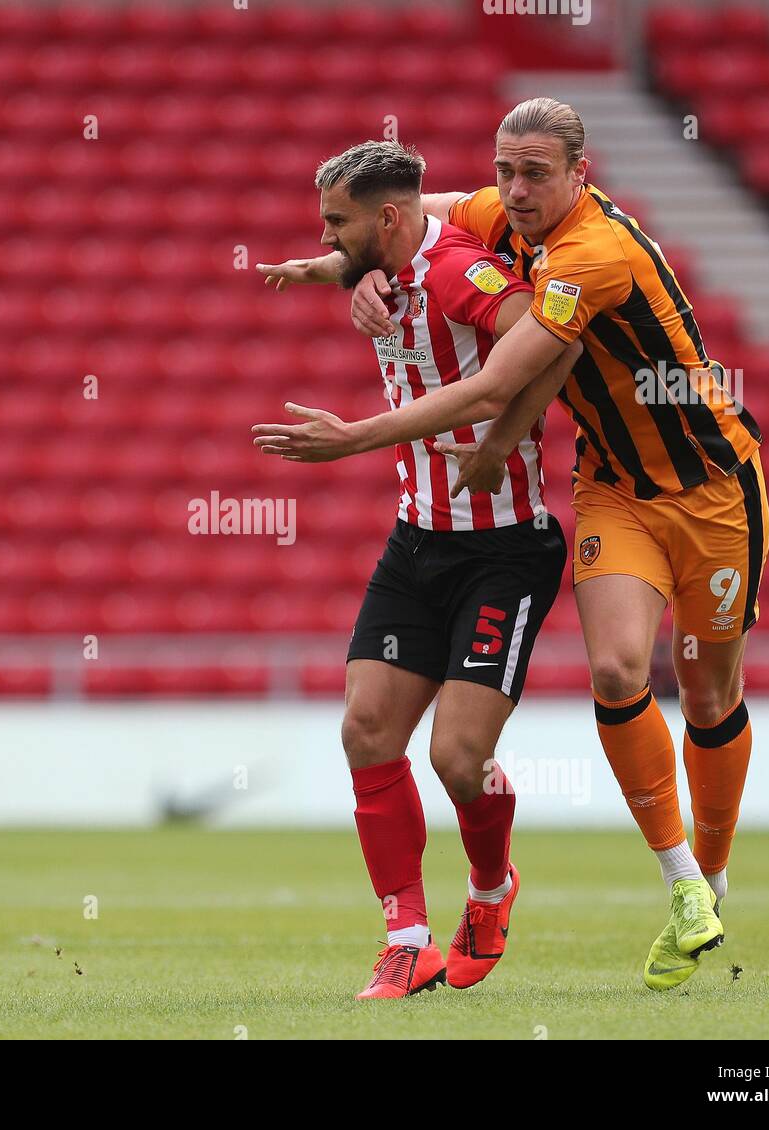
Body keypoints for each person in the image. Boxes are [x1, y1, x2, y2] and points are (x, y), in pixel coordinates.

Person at [255, 98, 769, 991]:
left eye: (535, 172)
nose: (515, 189)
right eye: (506, 170)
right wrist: (342, 267)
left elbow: (502, 377)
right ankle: (675, 885)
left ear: (582, 168)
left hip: (713, 483)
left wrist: (359, 437)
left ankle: (714, 875)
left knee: (711, 691)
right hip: (612, 484)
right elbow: (431, 207)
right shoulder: (496, 211)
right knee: (614, 674)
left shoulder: (588, 256)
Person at [256, 139, 578, 998]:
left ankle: (490, 887)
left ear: (389, 220)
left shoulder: (457, 275)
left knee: (458, 759)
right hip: (418, 538)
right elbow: (365, 258)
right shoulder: (384, 264)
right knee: (366, 730)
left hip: (504, 547)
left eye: (337, 224)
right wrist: (326, 269)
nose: (327, 236)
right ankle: (407, 938)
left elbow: (554, 342)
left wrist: (498, 437)